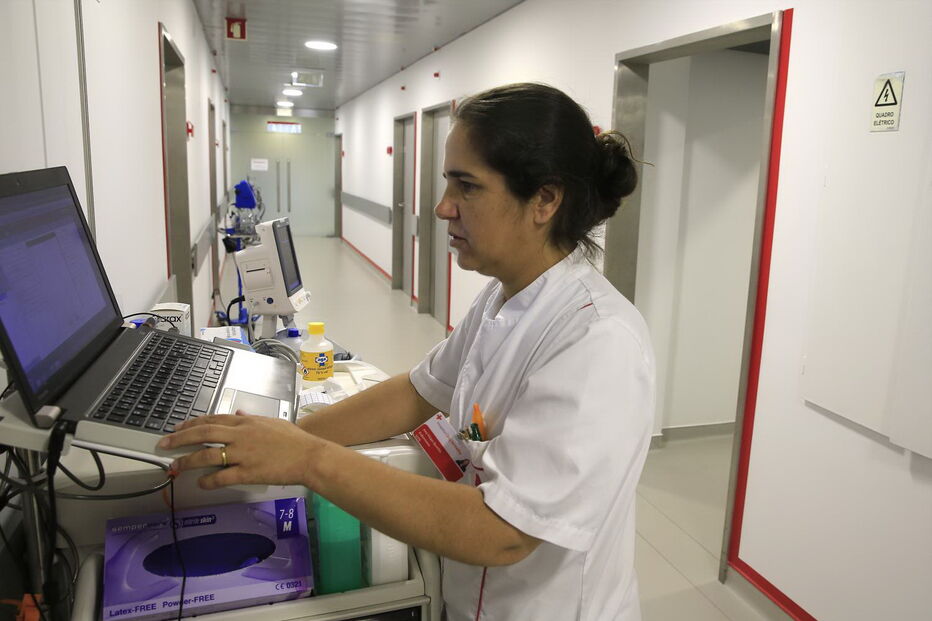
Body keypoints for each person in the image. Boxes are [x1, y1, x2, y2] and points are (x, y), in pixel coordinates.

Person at [160, 83, 655, 621]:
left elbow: (505, 533)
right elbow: (417, 391)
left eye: (467, 187)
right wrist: (287, 439)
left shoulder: (597, 341)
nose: (444, 208)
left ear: (545, 200)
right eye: (448, 182)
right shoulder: (504, 296)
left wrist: (307, 460)